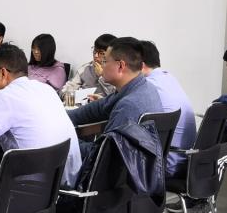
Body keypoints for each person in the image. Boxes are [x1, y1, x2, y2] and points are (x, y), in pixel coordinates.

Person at [0, 43, 81, 213]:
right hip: (66, 187)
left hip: (33, 193)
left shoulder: (5, 96)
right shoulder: (46, 90)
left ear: (3, 73)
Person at [67, 37, 164, 179]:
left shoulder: (129, 105)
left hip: (114, 182)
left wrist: (66, 141)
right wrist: (62, 117)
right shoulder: (143, 87)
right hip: (135, 175)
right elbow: (100, 107)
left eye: (105, 61)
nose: (101, 65)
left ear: (120, 66)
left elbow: (101, 156)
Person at [139, 40, 196, 178]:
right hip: (186, 159)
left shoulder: (148, 85)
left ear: (140, 65)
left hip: (167, 165)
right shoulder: (168, 77)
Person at [61, 32, 117, 101]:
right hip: (84, 105)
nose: (96, 56)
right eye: (95, 51)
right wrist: (67, 96)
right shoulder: (86, 68)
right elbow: (66, 89)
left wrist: (102, 76)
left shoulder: (117, 72)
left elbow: (115, 97)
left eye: (101, 53)